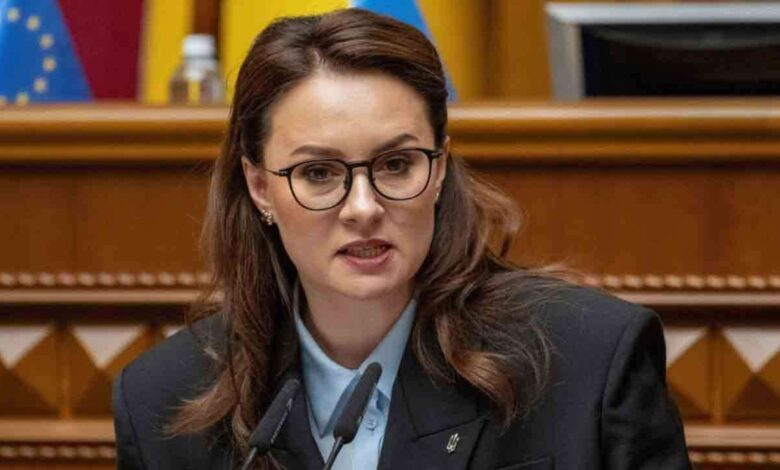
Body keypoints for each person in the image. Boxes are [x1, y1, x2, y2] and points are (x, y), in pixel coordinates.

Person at [112, 8, 691, 470]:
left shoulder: (588, 359)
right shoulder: (161, 399)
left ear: (438, 169)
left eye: (395, 165)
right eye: (319, 173)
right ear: (260, 186)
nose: (363, 208)